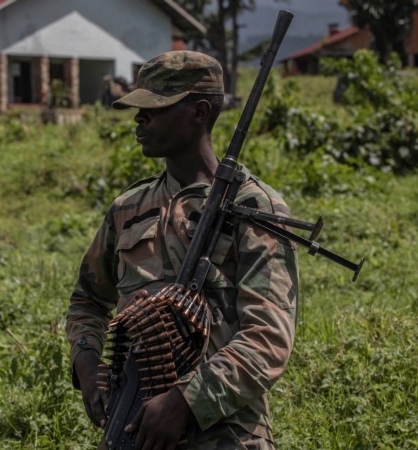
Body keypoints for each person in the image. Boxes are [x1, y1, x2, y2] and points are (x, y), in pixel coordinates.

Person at [66, 51, 299, 449]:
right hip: (131, 425)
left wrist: (185, 402)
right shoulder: (128, 208)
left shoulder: (256, 209)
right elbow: (87, 300)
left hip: (225, 433)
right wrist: (87, 365)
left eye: (154, 108)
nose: (139, 118)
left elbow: (268, 337)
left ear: (199, 111)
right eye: (138, 108)